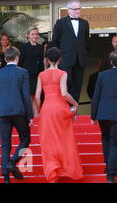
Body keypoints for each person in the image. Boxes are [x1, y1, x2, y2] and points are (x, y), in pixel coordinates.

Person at [35, 47, 83, 183]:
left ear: (47, 59)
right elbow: (64, 93)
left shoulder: (41, 75)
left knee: (48, 141)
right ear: (59, 59)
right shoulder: (62, 73)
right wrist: (75, 103)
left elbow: (37, 96)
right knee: (64, 139)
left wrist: (39, 110)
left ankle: (53, 170)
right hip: (60, 108)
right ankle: (67, 169)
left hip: (47, 109)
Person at [0, 47, 33, 183]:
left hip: (2, 112)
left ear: (5, 59)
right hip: (19, 111)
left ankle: (6, 177)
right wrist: (30, 116)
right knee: (25, 139)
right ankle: (13, 161)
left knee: (5, 145)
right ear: (17, 58)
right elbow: (26, 96)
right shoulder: (23, 72)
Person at [91, 50, 117, 183]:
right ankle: (111, 174)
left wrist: (93, 116)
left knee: (105, 139)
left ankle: (108, 165)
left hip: (103, 113)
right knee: (114, 143)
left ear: (111, 62)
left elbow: (96, 97)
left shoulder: (102, 75)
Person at [50, 0, 90, 104]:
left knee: (77, 86)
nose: (78, 11)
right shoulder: (60, 23)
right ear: (68, 10)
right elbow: (55, 42)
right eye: (75, 9)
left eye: (79, 9)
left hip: (80, 60)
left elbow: (86, 42)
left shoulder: (84, 23)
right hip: (65, 60)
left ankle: (74, 109)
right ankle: (65, 109)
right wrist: (57, 59)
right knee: (66, 85)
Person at [19, 26, 45, 117]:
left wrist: (42, 75)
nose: (35, 36)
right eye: (32, 34)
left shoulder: (40, 47)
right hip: (27, 75)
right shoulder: (23, 47)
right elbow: (20, 62)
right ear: (28, 35)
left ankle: (36, 115)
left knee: (36, 96)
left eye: (36, 34)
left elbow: (41, 63)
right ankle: (31, 115)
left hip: (37, 76)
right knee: (29, 96)